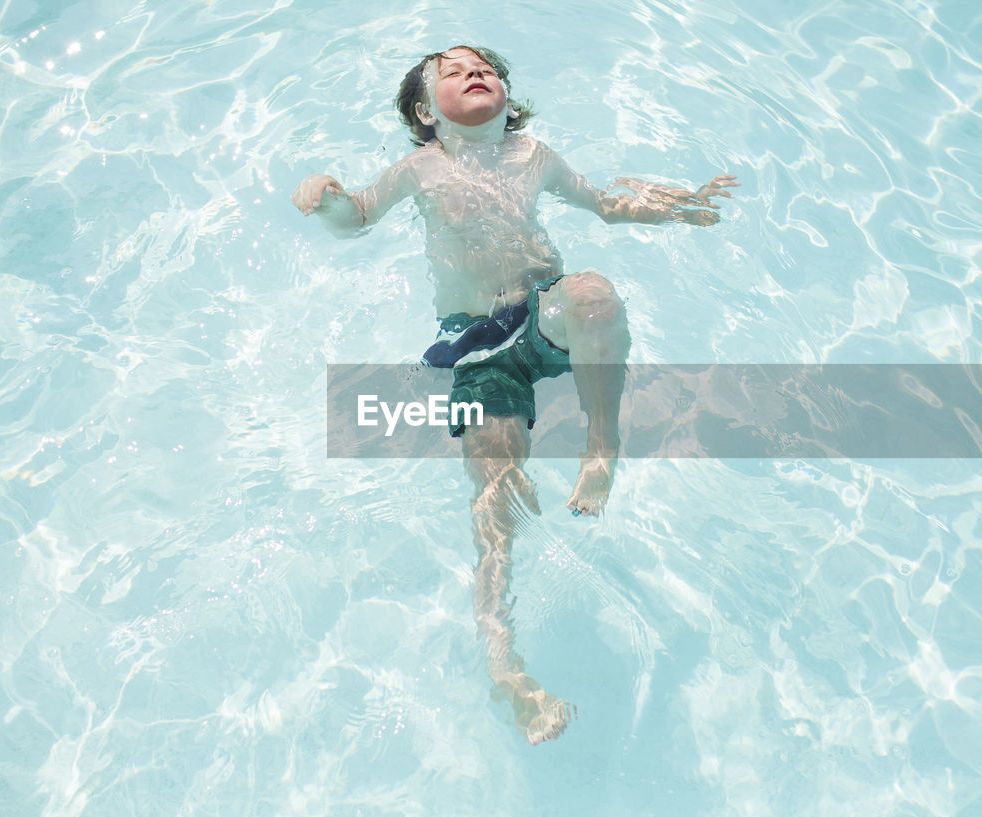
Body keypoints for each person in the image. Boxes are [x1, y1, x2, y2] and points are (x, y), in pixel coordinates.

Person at [293, 45, 737, 744]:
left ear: (506, 94)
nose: (475, 73)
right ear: (424, 112)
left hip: (545, 313)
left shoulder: (533, 156)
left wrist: (679, 207)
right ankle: (504, 665)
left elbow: (606, 204)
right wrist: (330, 199)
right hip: (478, 349)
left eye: (487, 68)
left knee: (594, 296)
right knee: (493, 499)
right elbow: (361, 216)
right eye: (453, 72)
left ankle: (602, 437)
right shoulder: (421, 168)